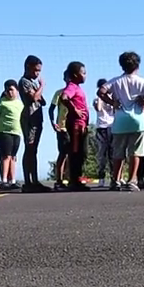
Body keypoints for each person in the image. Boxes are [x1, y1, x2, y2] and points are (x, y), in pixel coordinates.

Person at [100, 51, 144, 192]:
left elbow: (101, 91)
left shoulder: (115, 81)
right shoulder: (142, 81)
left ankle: (115, 180)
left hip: (120, 121)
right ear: (137, 65)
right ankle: (132, 180)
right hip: (138, 120)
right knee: (136, 152)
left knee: (118, 152)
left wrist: (112, 102)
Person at [17, 55, 52, 193]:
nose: (37, 74)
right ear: (28, 67)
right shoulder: (24, 82)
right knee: (29, 148)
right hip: (29, 118)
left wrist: (39, 89)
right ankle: (28, 181)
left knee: (34, 150)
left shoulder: (33, 83)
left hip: (37, 118)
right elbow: (34, 98)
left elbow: (42, 101)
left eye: (39, 71)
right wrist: (42, 86)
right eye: (35, 70)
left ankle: (35, 180)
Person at [60, 61, 92, 191]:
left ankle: (77, 179)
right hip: (75, 125)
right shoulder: (72, 86)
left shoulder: (78, 88)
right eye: (83, 73)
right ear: (75, 74)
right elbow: (64, 97)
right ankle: (73, 181)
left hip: (81, 125)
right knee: (76, 151)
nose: (85, 75)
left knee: (81, 152)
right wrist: (74, 110)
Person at [0, 80, 24, 190]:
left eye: (12, 90)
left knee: (13, 157)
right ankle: (4, 181)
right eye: (7, 90)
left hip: (17, 132)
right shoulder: (1, 102)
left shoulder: (20, 103)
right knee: (6, 156)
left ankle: (12, 181)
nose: (10, 92)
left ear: (17, 91)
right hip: (4, 132)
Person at [92, 78, 114, 188]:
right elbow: (98, 108)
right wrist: (101, 97)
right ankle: (101, 178)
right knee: (102, 155)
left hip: (112, 127)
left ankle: (114, 177)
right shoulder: (97, 99)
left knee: (113, 154)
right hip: (101, 128)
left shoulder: (112, 98)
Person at [48, 80, 70, 189]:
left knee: (74, 154)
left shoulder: (78, 92)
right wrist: (53, 122)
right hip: (62, 127)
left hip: (74, 128)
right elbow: (51, 108)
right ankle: (59, 180)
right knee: (63, 153)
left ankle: (72, 179)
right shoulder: (59, 93)